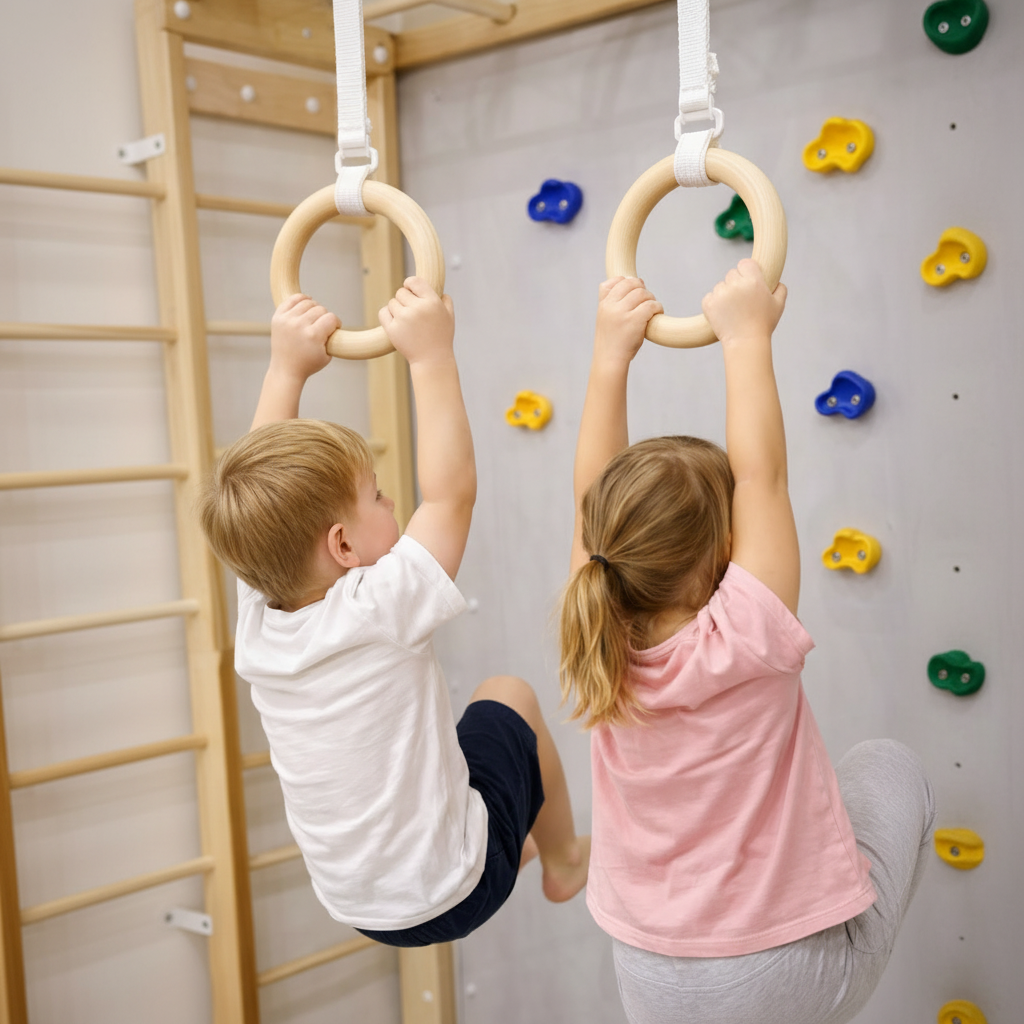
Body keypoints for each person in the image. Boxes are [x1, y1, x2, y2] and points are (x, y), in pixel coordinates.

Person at [559, 263, 934, 1022]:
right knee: (890, 766)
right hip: (778, 974)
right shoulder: (747, 633)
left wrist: (609, 354)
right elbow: (764, 476)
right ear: (727, 552)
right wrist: (745, 337)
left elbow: (590, 496)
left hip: (646, 977)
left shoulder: (595, 635)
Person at [198, 280, 588, 946]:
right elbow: (450, 497)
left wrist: (286, 369)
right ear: (343, 547)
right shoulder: (377, 605)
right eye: (377, 497)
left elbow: (259, 495)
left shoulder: (259, 613)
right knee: (509, 695)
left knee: (456, 754)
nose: (392, 504)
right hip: (458, 887)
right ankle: (563, 862)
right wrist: (431, 356)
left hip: (362, 908)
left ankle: (511, 840)